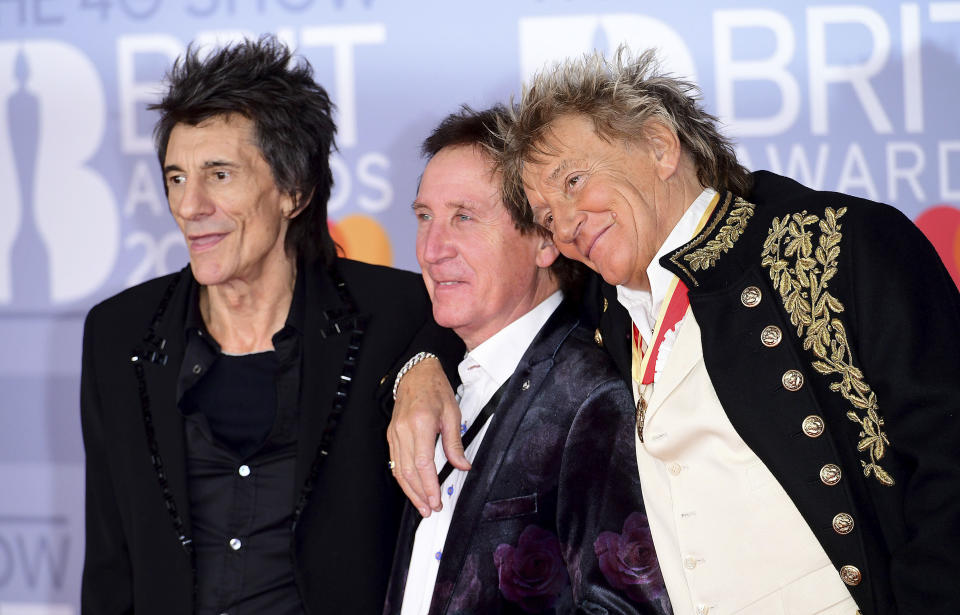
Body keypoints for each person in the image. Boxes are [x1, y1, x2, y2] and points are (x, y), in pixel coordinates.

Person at [390, 48, 960, 615]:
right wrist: (419, 370)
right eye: (545, 217)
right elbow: (487, 300)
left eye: (574, 181)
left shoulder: (832, 246)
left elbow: (946, 467)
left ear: (660, 146)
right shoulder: (609, 307)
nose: (564, 225)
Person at [79, 36, 458, 615]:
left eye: (220, 175)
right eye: (176, 177)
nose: (189, 205)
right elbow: (111, 566)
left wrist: (422, 364)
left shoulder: (401, 313)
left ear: (294, 190)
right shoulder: (118, 334)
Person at [383, 106, 670, 615]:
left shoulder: (594, 397)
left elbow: (632, 607)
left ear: (544, 238)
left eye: (464, 217)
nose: (431, 249)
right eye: (425, 216)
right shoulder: (435, 381)